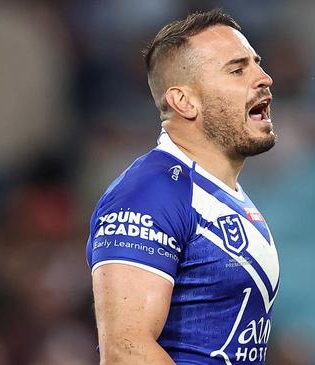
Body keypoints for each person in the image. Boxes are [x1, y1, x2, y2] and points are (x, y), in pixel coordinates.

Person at [86, 8, 279, 364]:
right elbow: (125, 351)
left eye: (257, 64)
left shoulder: (225, 196)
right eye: (238, 69)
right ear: (184, 101)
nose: (264, 78)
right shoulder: (149, 193)